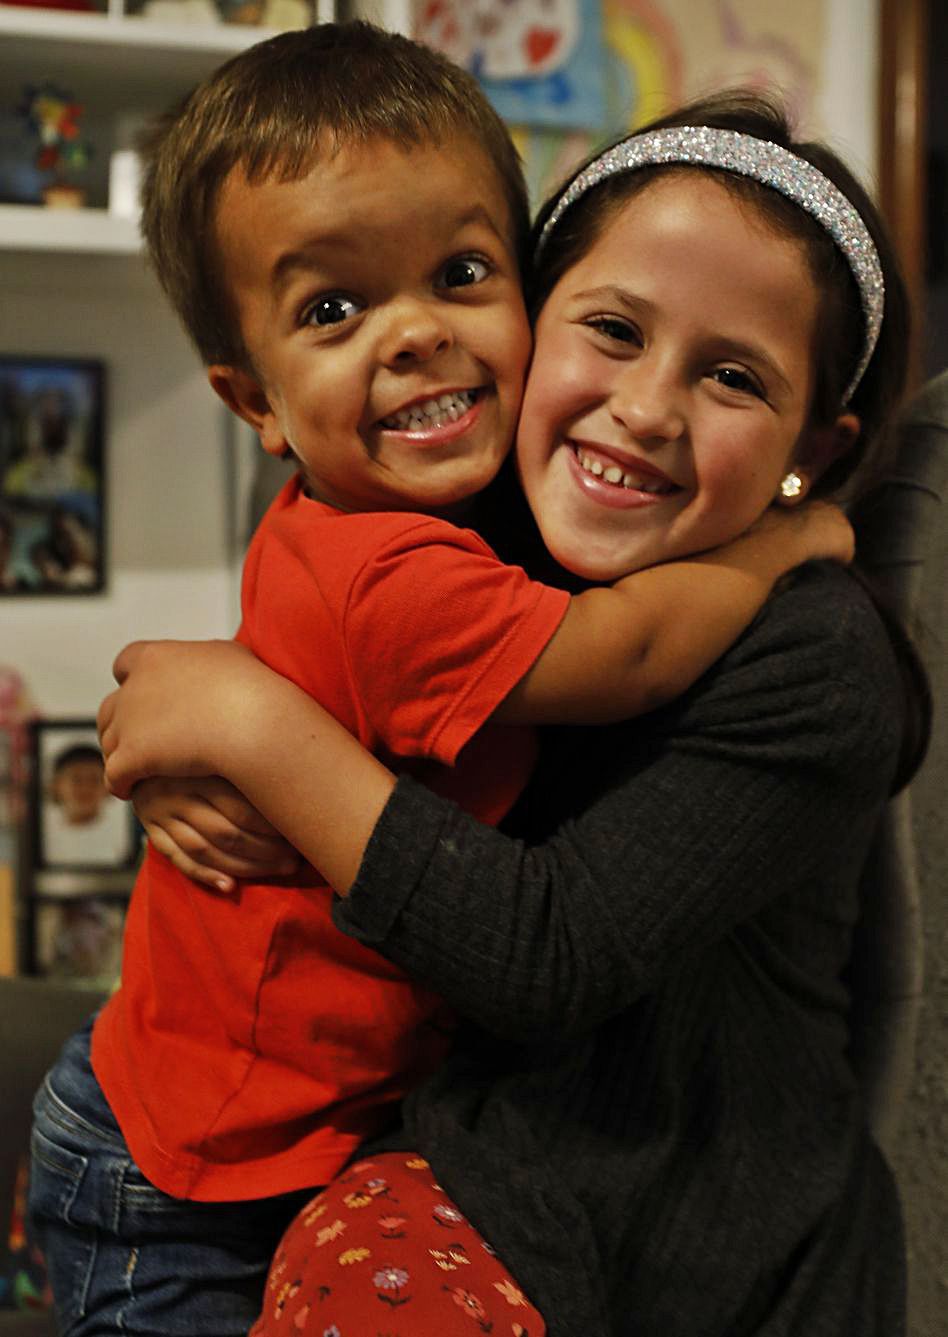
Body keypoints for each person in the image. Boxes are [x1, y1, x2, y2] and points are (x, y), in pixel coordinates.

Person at [27, 29, 846, 1337]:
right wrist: (789, 540)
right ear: (257, 400)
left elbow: (535, 926)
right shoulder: (406, 568)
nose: (413, 333)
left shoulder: (474, 521)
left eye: (459, 274)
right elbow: (625, 653)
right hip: (188, 1171)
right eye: (333, 309)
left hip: (306, 1125)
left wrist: (239, 718)